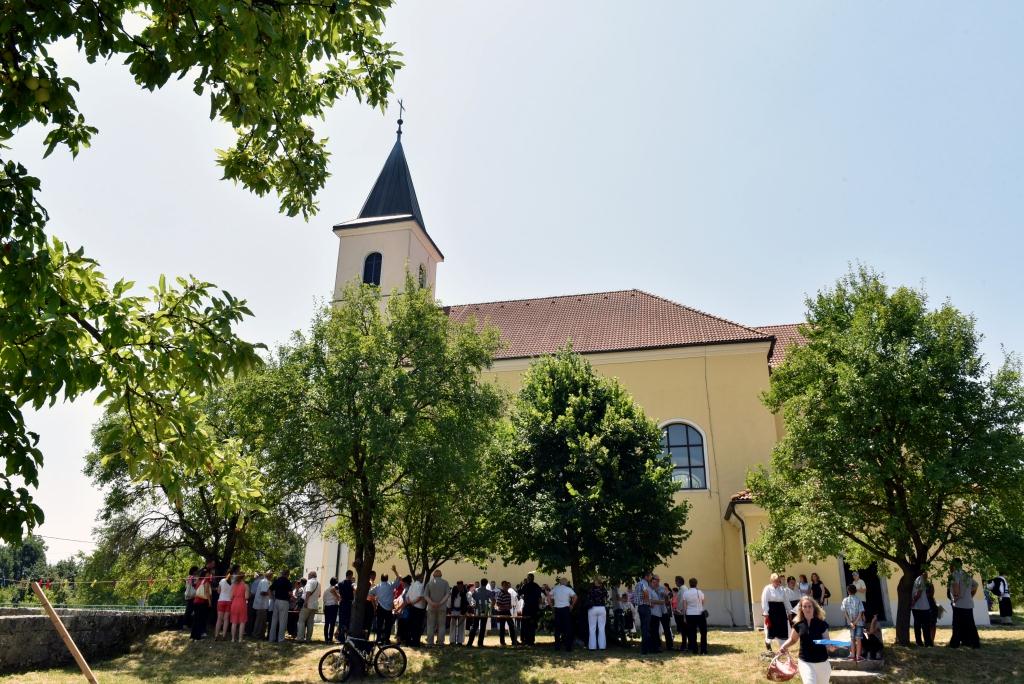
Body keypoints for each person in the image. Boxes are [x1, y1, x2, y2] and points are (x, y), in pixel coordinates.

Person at [778, 597, 837, 684]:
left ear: (814, 607)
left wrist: (830, 647)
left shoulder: (822, 624)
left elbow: (826, 641)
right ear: (801, 608)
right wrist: (783, 646)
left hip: (822, 663)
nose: (807, 609)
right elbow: (793, 639)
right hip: (805, 662)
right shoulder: (798, 624)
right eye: (805, 606)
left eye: (809, 606)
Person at [947, 558, 980, 649]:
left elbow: (956, 587)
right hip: (968, 604)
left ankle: (955, 643)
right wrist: (970, 595)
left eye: (951, 565)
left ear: (954, 565)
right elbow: (976, 585)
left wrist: (955, 599)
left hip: (959, 604)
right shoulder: (966, 575)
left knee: (957, 625)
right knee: (970, 625)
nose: (950, 567)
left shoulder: (954, 574)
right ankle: (974, 643)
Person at [761, 573, 789, 653]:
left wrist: (789, 611)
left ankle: (783, 648)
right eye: (776, 581)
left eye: (778, 581)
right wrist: (766, 612)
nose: (777, 582)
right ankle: (768, 644)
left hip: (781, 611)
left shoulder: (782, 589)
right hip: (771, 611)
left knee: (782, 628)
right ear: (772, 581)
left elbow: (786, 601)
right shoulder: (767, 588)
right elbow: (764, 601)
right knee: (771, 628)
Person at [424, 569, 450, 646]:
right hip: (442, 607)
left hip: (431, 607)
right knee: (441, 625)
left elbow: (425, 595)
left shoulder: (429, 583)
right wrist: (440, 603)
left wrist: (431, 603)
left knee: (430, 625)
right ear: (441, 575)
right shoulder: (445, 583)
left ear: (433, 575)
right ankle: (440, 642)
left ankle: (430, 642)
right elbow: (447, 594)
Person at [682, 577, 707, 655]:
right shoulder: (700, 592)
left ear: (689, 584)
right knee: (703, 632)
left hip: (690, 614)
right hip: (699, 614)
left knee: (692, 633)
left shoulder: (685, 593)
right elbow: (702, 603)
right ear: (696, 584)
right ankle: (703, 649)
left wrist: (684, 616)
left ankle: (695, 649)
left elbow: (684, 606)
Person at [551, 576, 577, 652]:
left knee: (557, 629)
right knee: (567, 628)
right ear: (565, 582)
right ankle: (568, 647)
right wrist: (572, 605)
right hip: (565, 609)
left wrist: (551, 606)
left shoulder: (555, 588)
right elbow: (575, 597)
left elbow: (548, 596)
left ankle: (557, 646)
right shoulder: (568, 589)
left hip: (557, 609)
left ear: (560, 582)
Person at [841, 583, 865, 662]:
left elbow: (845, 612)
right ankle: (858, 656)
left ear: (848, 591)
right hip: (859, 623)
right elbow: (860, 613)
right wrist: (855, 622)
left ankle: (852, 655)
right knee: (858, 639)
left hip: (850, 623)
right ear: (856, 591)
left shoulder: (845, 600)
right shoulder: (858, 600)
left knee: (852, 639)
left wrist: (850, 622)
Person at [911, 569, 935, 647]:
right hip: (921, 607)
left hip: (919, 607)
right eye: (925, 573)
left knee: (918, 626)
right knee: (924, 626)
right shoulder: (920, 579)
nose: (927, 575)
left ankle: (921, 642)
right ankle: (926, 643)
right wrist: (914, 601)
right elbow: (919, 592)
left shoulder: (918, 579)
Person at [467, 577, 493, 647]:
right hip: (485, 611)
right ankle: (480, 643)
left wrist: (473, 605)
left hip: (477, 610)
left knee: (474, 626)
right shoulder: (488, 592)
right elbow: (493, 600)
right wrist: (490, 608)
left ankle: (470, 642)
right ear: (486, 584)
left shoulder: (475, 591)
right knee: (482, 627)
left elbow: (471, 600)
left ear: (481, 583)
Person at [268, 568, 291, 643]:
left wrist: (272, 598)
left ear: (282, 574)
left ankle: (271, 638)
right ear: (288, 574)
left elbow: (269, 589)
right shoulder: (288, 582)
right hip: (284, 602)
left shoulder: (277, 580)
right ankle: (281, 639)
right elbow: (290, 593)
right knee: (282, 621)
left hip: (276, 601)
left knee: (274, 621)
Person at [371, 573, 395, 643]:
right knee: (388, 625)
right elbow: (398, 580)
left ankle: (378, 639)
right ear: (387, 579)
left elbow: (370, 592)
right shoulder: (391, 585)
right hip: (389, 608)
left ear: (381, 579)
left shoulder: (378, 586)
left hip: (380, 607)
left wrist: (374, 598)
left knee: (379, 624)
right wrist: (395, 571)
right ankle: (386, 639)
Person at [296, 571, 320, 642]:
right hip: (314, 605)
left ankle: (300, 638)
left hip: (308, 604)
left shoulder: (309, 582)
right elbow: (319, 595)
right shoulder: (319, 583)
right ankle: (308, 639)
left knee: (301, 621)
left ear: (311, 575)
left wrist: (306, 602)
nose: (308, 576)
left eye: (308, 575)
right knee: (310, 622)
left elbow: (308, 592)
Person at [651, 575, 673, 652]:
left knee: (667, 628)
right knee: (655, 629)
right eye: (657, 580)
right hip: (655, 612)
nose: (658, 581)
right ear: (653, 580)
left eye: (659, 580)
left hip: (663, 611)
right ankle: (658, 645)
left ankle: (670, 645)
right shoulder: (650, 588)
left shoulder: (662, 588)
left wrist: (666, 596)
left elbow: (667, 600)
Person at [493, 580, 519, 646]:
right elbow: (498, 604)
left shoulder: (509, 594)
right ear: (502, 586)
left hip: (507, 612)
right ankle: (502, 642)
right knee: (502, 627)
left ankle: (513, 641)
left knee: (511, 626)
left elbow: (509, 604)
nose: (506, 587)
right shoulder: (500, 593)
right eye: (504, 585)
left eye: (507, 585)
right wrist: (505, 607)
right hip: (501, 612)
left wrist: (509, 606)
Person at [633, 572, 654, 655]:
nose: (651, 578)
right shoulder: (644, 583)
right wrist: (648, 602)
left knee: (643, 627)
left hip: (640, 607)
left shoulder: (638, 583)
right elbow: (645, 592)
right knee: (646, 628)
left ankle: (644, 648)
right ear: (646, 576)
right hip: (645, 607)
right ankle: (645, 649)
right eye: (650, 576)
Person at [520, 573, 542, 646]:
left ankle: (526, 640)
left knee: (526, 624)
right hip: (534, 608)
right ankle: (531, 640)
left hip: (527, 608)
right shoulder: (536, 586)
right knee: (532, 624)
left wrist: (521, 585)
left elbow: (519, 593)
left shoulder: (525, 586)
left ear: (528, 579)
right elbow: (539, 597)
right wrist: (539, 607)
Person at [404, 571, 426, 646]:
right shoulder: (420, 586)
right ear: (420, 578)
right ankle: (416, 642)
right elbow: (420, 597)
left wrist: (409, 602)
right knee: (417, 626)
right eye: (422, 578)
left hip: (412, 607)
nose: (423, 579)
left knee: (411, 625)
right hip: (419, 609)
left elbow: (407, 596)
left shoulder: (412, 585)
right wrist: (413, 602)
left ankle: (408, 641)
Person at [190, 568, 212, 641]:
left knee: (196, 619)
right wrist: (209, 602)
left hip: (196, 602)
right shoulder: (206, 581)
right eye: (209, 573)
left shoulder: (199, 581)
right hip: (202, 602)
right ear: (206, 574)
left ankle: (193, 636)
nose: (210, 575)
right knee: (200, 620)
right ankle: (198, 637)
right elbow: (207, 592)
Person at [586, 577, 608, 651]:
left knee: (592, 628)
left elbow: (588, 597)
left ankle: (592, 647)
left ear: (594, 582)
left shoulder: (590, 589)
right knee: (601, 628)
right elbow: (606, 597)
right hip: (602, 608)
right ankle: (602, 646)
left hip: (592, 608)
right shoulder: (603, 589)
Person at [215, 565, 236, 640]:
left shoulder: (222, 580)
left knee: (219, 619)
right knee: (226, 619)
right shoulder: (233, 582)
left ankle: (216, 635)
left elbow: (218, 591)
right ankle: (224, 636)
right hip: (229, 601)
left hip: (221, 601)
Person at [229, 568, 249, 642]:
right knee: (242, 622)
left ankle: (233, 639)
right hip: (242, 604)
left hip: (234, 604)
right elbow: (246, 597)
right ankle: (240, 639)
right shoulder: (246, 585)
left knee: (234, 622)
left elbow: (230, 597)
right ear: (244, 577)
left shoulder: (233, 585)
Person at [449, 580, 469, 645]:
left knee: (461, 627)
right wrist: (450, 610)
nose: (459, 587)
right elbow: (450, 601)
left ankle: (460, 641)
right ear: (457, 586)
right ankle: (452, 641)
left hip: (462, 611)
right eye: (458, 586)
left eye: (461, 586)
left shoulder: (465, 592)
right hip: (454, 610)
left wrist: (466, 611)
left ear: (462, 586)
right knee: (453, 626)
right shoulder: (453, 591)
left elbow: (468, 602)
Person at [337, 569, 355, 643]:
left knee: (341, 620)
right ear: (350, 575)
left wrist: (339, 597)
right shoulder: (352, 584)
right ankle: (348, 637)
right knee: (348, 620)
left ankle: (341, 637)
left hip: (342, 603)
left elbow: (337, 591)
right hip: (349, 603)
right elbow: (355, 592)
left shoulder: (340, 583)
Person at [672, 577, 688, 652]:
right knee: (684, 630)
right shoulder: (683, 589)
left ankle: (684, 646)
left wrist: (678, 610)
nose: (675, 582)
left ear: (679, 581)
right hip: (682, 612)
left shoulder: (683, 589)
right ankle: (684, 645)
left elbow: (682, 601)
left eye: (676, 581)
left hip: (681, 613)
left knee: (683, 630)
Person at [323, 577, 341, 642]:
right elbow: (338, 598)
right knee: (332, 623)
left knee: (326, 623)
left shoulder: (326, 590)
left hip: (327, 606)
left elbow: (324, 599)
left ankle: (326, 638)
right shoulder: (336, 590)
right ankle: (330, 638)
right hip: (334, 606)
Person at [182, 566, 198, 630]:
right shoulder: (192, 577)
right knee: (189, 611)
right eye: (196, 570)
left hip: (189, 595)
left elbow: (186, 586)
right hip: (192, 595)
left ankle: (187, 625)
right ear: (194, 571)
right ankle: (185, 625)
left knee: (189, 610)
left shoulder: (188, 577)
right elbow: (194, 585)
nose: (197, 572)